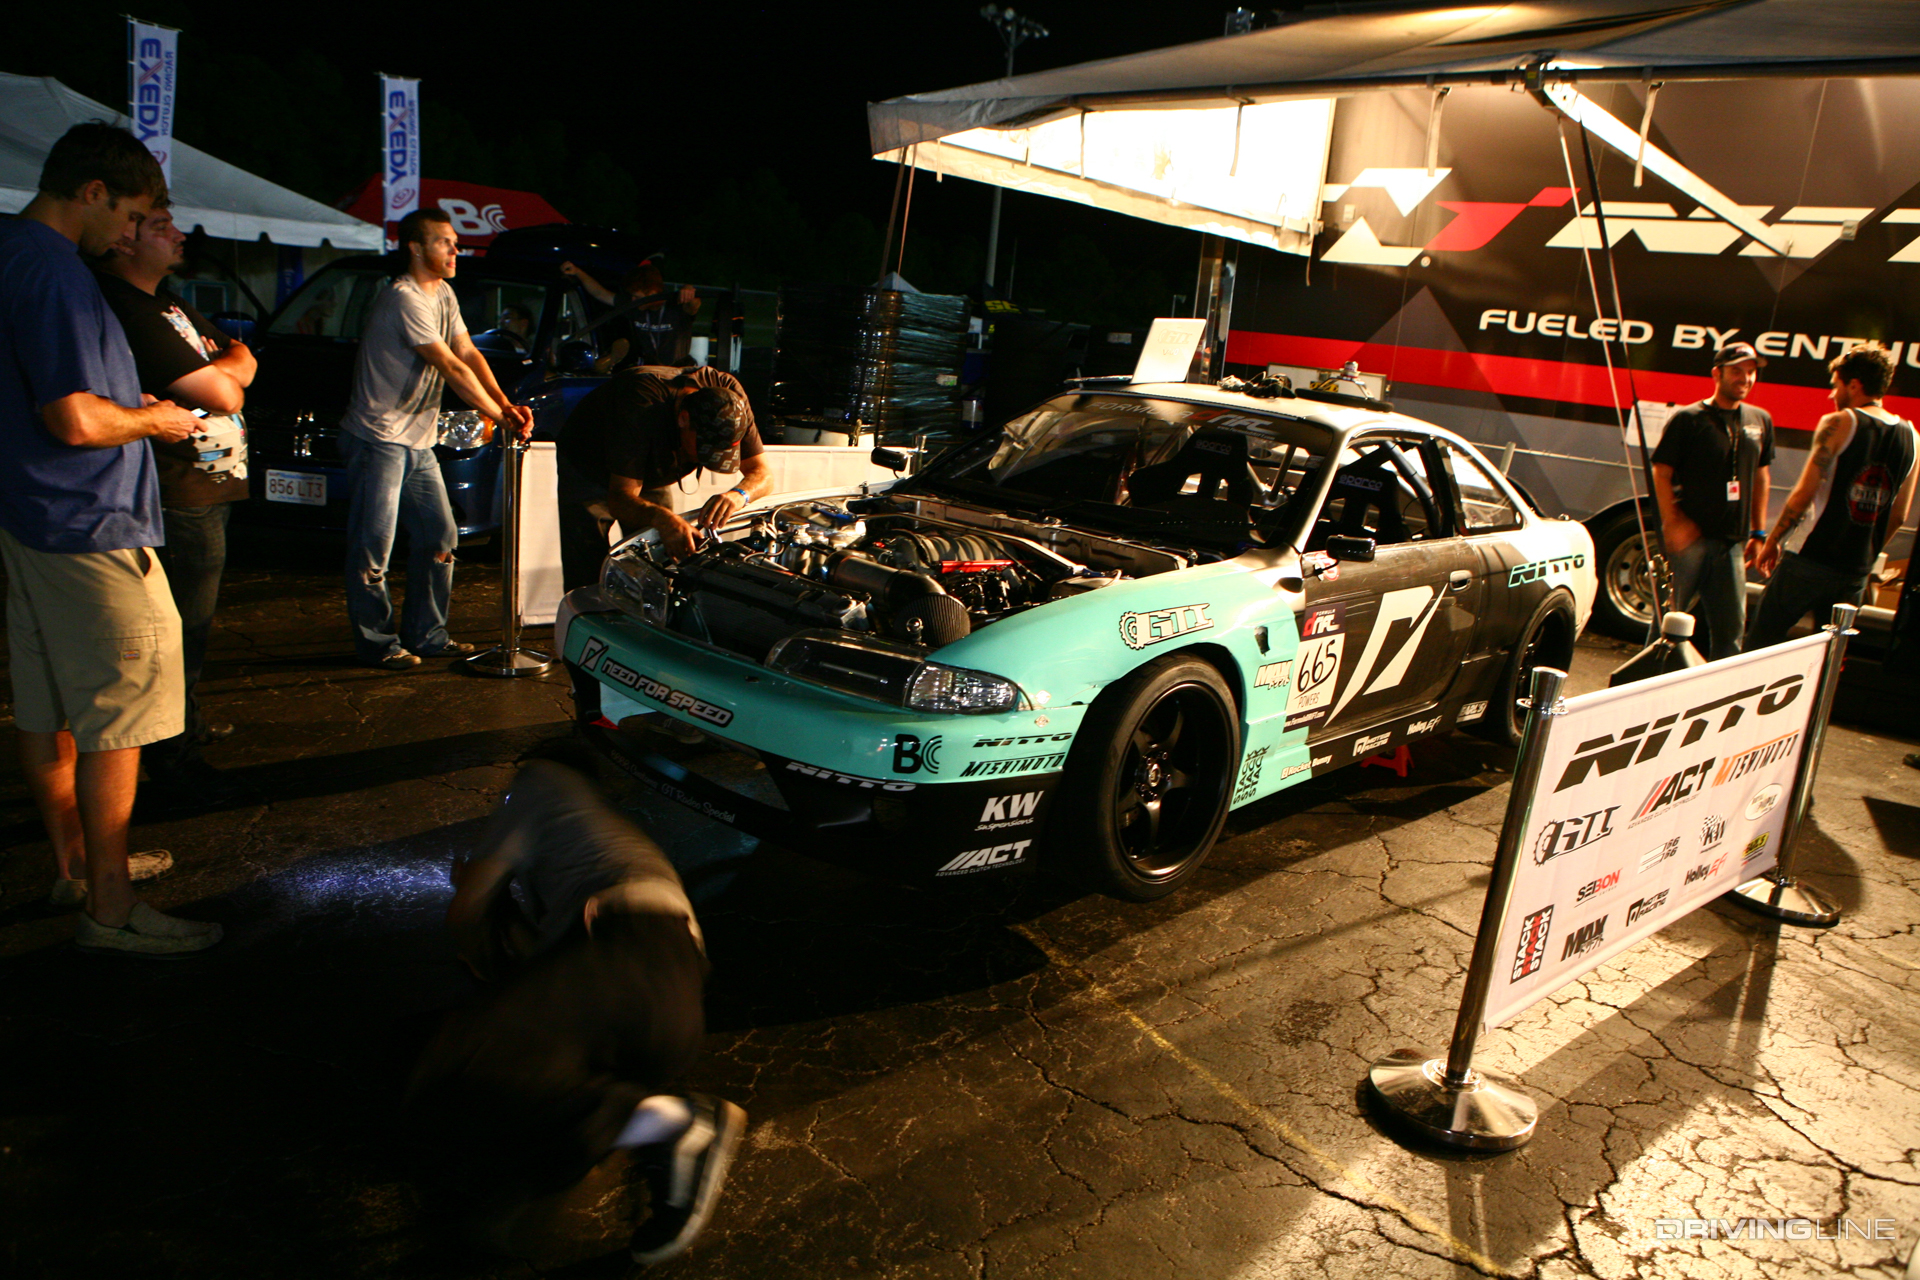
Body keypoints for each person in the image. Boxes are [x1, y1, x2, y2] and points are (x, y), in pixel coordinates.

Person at [0, 122, 220, 953]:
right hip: (86, 526)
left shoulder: (13, 253)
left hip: (31, 519)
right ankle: (112, 908)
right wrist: (156, 418)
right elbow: (74, 416)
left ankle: (82, 867)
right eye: (127, 214)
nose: (129, 234)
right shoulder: (54, 272)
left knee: (50, 708)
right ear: (91, 193)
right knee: (117, 720)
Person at [407, 744, 746, 1264]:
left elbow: (466, 912)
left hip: (634, 949)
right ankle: (618, 1138)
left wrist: (476, 912)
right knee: (517, 1096)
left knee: (462, 1057)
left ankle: (670, 1123)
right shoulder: (590, 842)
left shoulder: (543, 784)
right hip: (659, 1000)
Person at [92, 197, 254, 794]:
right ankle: (171, 758)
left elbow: (243, 359)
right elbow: (225, 390)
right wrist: (222, 376)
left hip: (204, 487)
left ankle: (182, 727)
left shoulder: (166, 303)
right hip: (178, 492)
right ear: (125, 241)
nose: (179, 235)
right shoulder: (128, 307)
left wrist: (224, 372)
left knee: (194, 626)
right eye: (161, 227)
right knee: (180, 628)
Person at [341, 207, 534, 669]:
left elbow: (467, 351)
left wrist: (505, 405)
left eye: (454, 242)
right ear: (415, 247)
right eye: (444, 242)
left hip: (417, 439)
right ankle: (377, 643)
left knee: (441, 536)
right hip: (378, 438)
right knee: (373, 548)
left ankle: (426, 634)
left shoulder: (442, 293)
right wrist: (499, 415)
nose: (455, 249)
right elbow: (448, 366)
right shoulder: (404, 298)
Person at [1748, 343, 1917, 648]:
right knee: (1830, 654)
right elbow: (1900, 514)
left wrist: (1771, 541)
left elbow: (1804, 493)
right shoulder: (1912, 436)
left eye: (1835, 385)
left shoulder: (1840, 422)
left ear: (1854, 385)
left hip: (1811, 558)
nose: (1831, 395)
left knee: (1762, 642)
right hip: (1855, 571)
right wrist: (1866, 553)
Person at [1650, 340, 1775, 660]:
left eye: (1751, 372)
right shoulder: (1689, 418)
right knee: (1667, 628)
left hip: (1732, 544)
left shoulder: (1760, 420)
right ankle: (1645, 689)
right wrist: (1672, 522)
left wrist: (1759, 534)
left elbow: (1761, 477)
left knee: (1730, 635)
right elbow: (1661, 473)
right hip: (1689, 542)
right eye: (1737, 371)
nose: (1745, 379)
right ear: (1716, 374)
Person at [561, 259, 700, 372]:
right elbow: (600, 293)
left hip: (678, 372)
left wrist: (689, 291)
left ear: (651, 293)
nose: (632, 300)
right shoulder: (634, 306)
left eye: (636, 296)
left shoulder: (675, 306)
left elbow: (693, 306)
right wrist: (578, 272)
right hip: (648, 372)